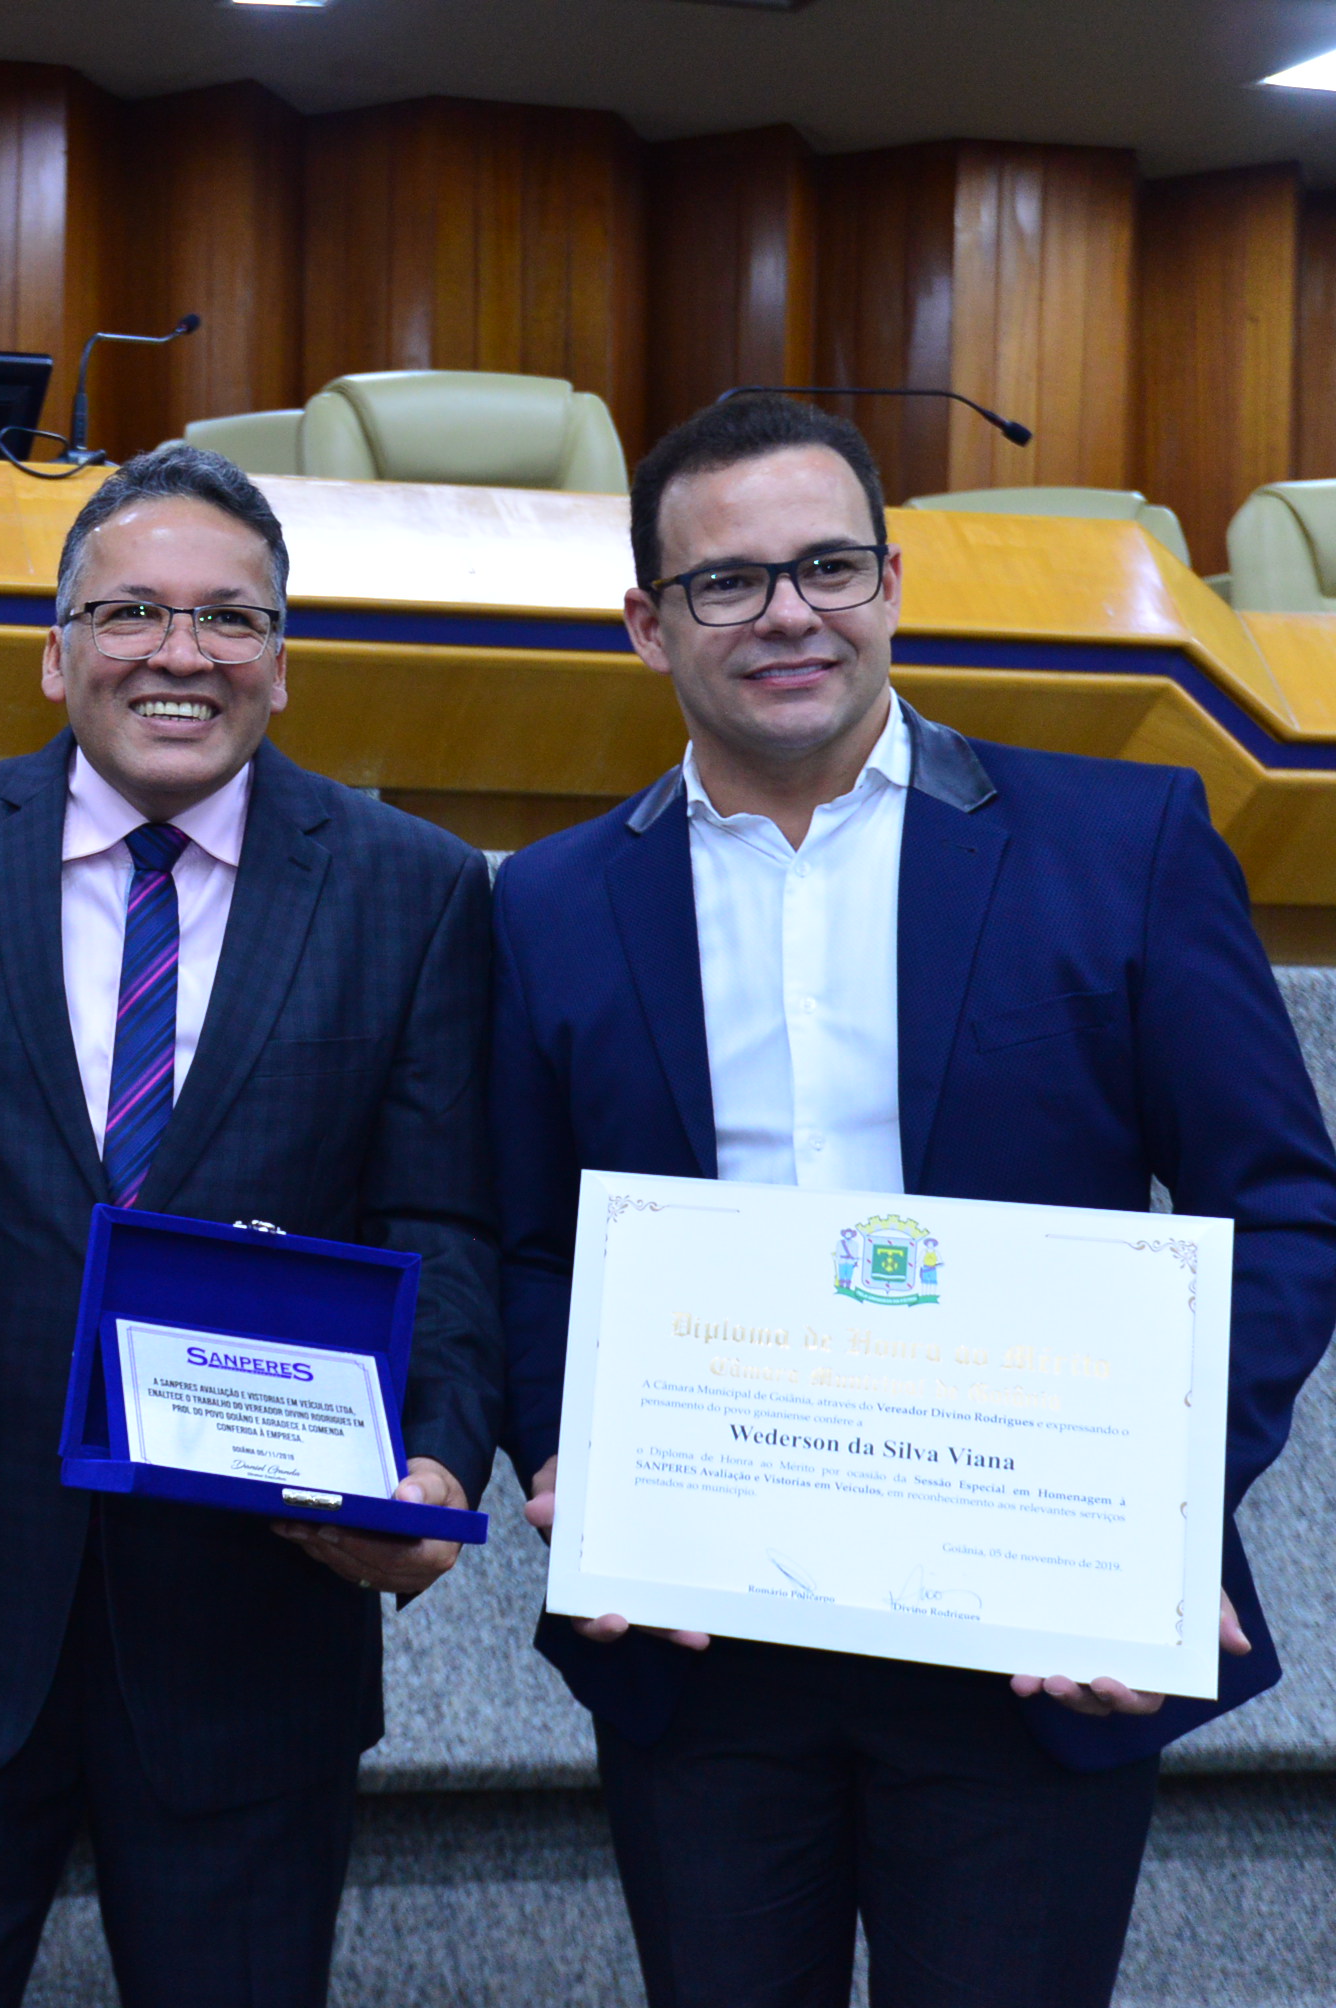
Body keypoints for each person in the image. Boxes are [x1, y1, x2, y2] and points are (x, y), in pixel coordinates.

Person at [492, 393, 1336, 2005]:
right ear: (647, 625)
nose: (788, 613)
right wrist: (561, 1452)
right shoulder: (553, 904)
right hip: (704, 1646)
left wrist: (1155, 1509)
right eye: (728, 582)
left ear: (891, 581)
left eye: (828, 565)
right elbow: (528, 1244)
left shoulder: (1121, 843)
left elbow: (1284, 1204)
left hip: (1033, 1640)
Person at [0, 443, 506, 2007]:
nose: (180, 653)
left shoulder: (410, 889)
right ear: (55, 651)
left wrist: (437, 1462)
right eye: (130, 611)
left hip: (255, 1624)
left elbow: (442, 1215)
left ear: (283, 661)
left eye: (229, 618)